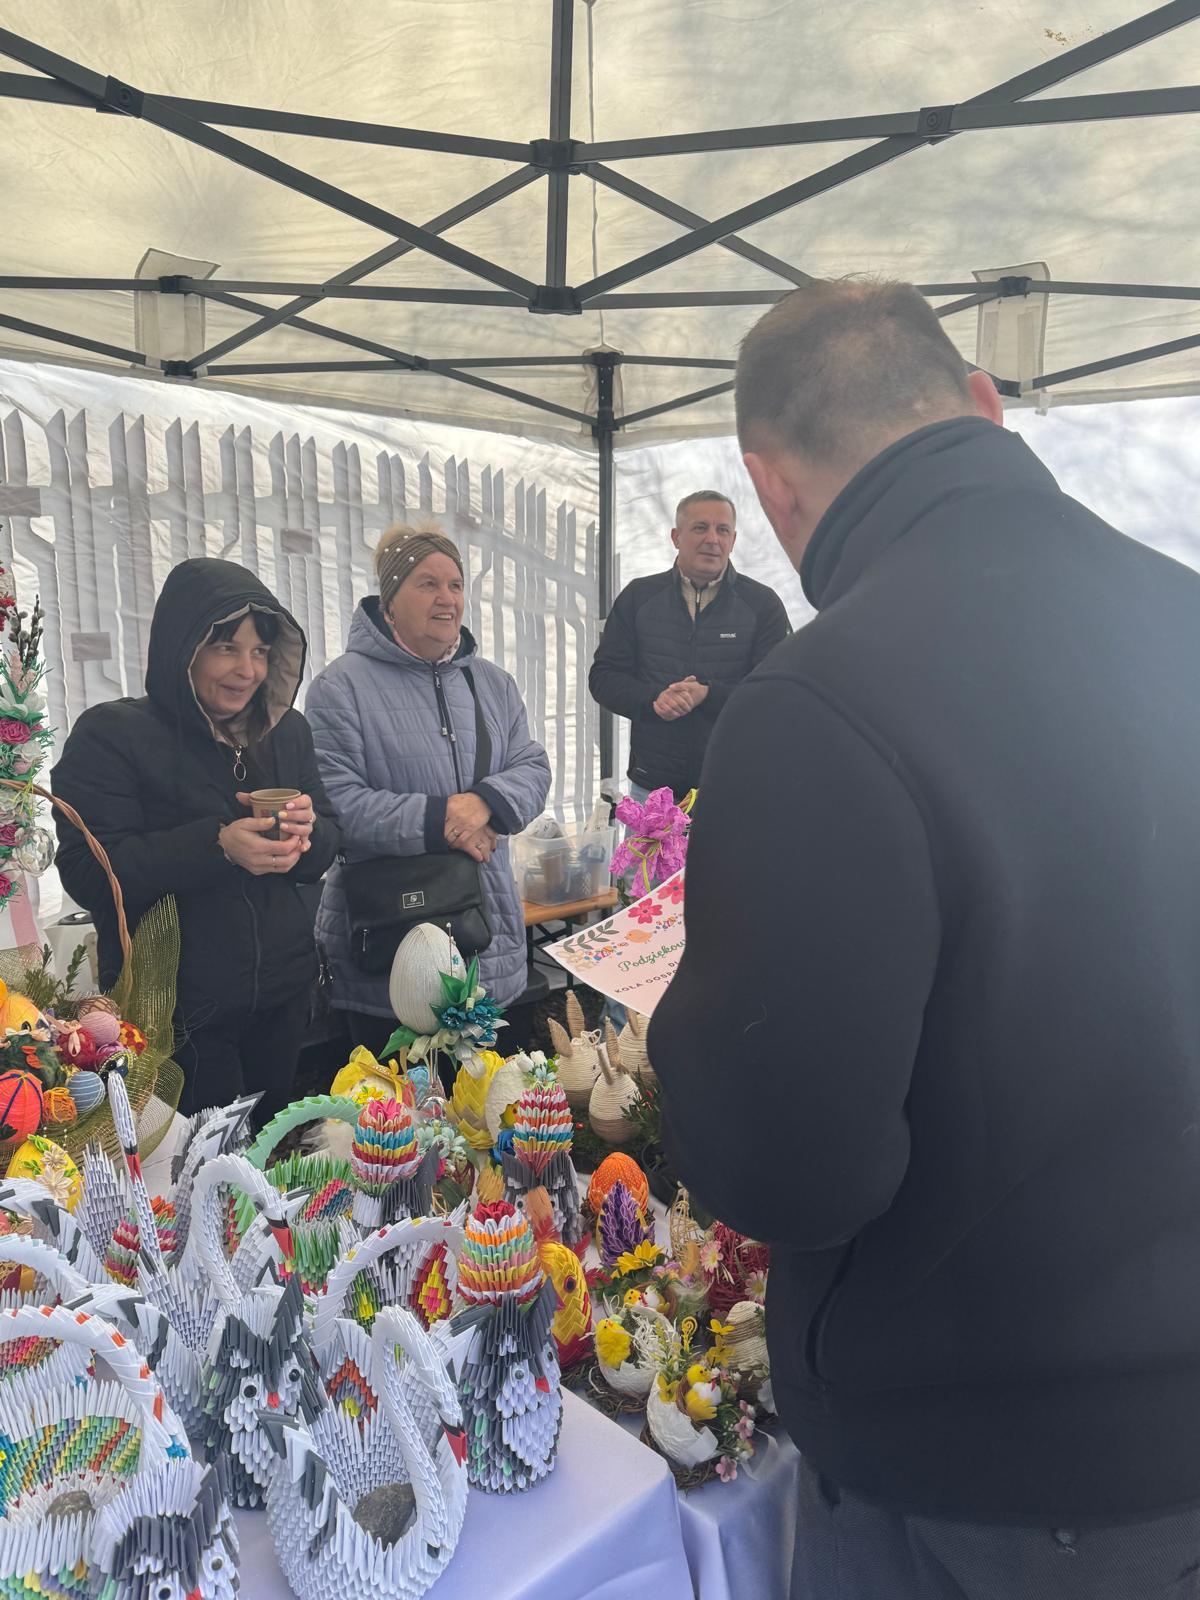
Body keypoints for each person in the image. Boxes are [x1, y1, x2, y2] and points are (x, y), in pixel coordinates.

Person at [649, 280, 1200, 1598]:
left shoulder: (817, 701)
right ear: (985, 405)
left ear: (769, 484)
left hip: (975, 1472)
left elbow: (788, 1169)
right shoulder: (1183, 617)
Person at [52, 558, 340, 1121]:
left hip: (281, 999)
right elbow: (90, 872)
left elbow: (328, 844)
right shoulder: (113, 736)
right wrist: (217, 846)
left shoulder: (286, 731)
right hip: (176, 1017)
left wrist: (309, 836)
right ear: (182, 648)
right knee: (196, 1167)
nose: (247, 670)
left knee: (272, 1154)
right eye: (226, 648)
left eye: (260, 651)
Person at [306, 524, 550, 1056]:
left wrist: (484, 804)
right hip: (389, 944)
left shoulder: (493, 683)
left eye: (456, 585)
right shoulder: (339, 687)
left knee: (491, 1100)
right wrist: (445, 820)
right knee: (397, 1104)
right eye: (427, 584)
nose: (447, 598)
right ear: (389, 603)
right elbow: (337, 804)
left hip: (486, 940)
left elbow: (533, 766)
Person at [588, 490, 790, 801]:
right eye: (700, 527)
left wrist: (708, 695)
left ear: (733, 540)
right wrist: (654, 700)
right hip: (653, 787)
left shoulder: (762, 605)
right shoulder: (638, 597)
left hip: (736, 784)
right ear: (676, 536)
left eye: (722, 530)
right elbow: (604, 677)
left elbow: (777, 693)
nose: (712, 539)